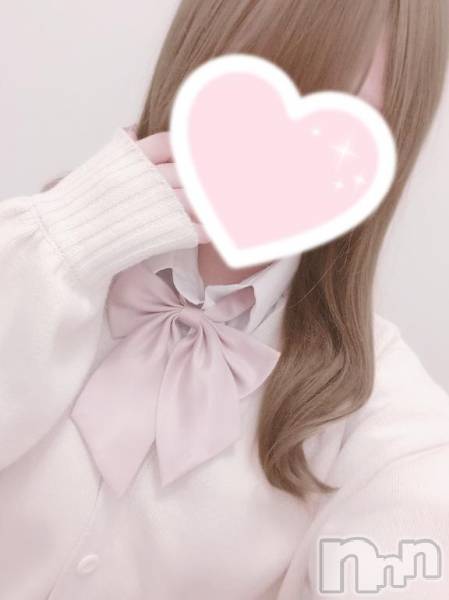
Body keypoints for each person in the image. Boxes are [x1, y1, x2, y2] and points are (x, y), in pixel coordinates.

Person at [1, 1, 448, 598]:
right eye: (264, 82)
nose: (280, 153)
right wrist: (66, 241)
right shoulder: (29, 255)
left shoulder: (387, 418)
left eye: (342, 125)